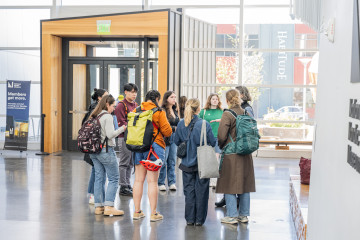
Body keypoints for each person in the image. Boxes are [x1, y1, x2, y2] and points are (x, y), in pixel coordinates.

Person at [174, 98, 216, 226]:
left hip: (186, 163)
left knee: (189, 192)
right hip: (202, 164)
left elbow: (176, 141)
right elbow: (213, 142)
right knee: (202, 192)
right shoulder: (204, 124)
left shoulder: (181, 124)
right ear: (198, 109)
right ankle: (199, 220)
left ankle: (190, 219)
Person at [216, 89, 256, 225]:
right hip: (246, 153)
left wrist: (221, 145)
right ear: (239, 98)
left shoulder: (227, 114)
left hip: (231, 154)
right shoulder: (246, 112)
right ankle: (243, 215)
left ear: (227, 100)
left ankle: (232, 216)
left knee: (229, 183)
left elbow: (221, 135)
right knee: (245, 184)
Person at [132, 90, 172, 222]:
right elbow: (167, 131)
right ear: (156, 98)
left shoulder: (136, 110)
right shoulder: (159, 112)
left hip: (138, 146)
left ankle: (137, 211)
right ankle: (153, 213)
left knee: (138, 180)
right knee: (152, 182)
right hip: (154, 147)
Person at [89, 95, 127, 216]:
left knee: (99, 178)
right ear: (107, 105)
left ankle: (98, 207)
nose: (114, 109)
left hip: (93, 151)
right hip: (106, 150)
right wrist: (122, 128)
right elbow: (110, 135)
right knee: (114, 178)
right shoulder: (107, 117)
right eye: (113, 106)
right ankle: (109, 206)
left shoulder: (95, 115)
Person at [82, 88, 108, 205]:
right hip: (95, 145)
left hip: (93, 144)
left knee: (96, 170)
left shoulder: (95, 108)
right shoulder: (96, 109)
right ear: (99, 98)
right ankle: (93, 195)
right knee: (97, 171)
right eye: (106, 96)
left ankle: (91, 193)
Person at [114, 83, 138, 196]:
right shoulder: (121, 105)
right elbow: (121, 123)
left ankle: (127, 184)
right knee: (124, 162)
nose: (134, 94)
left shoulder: (136, 105)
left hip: (133, 137)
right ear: (126, 92)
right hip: (124, 137)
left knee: (130, 163)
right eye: (132, 92)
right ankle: (123, 186)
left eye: (135, 92)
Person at [199, 93, 223, 188]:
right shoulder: (203, 112)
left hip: (217, 137)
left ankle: (214, 180)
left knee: (216, 159)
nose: (215, 100)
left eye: (216, 99)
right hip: (206, 138)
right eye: (213, 99)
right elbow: (198, 123)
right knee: (208, 160)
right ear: (210, 100)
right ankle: (206, 179)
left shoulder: (221, 111)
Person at [158, 91, 180, 191]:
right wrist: (173, 128)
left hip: (174, 138)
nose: (174, 99)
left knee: (172, 161)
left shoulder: (175, 110)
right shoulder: (162, 110)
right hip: (165, 138)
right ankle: (161, 182)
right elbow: (162, 125)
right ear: (167, 98)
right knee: (163, 161)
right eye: (172, 97)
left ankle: (172, 182)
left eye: (175, 97)